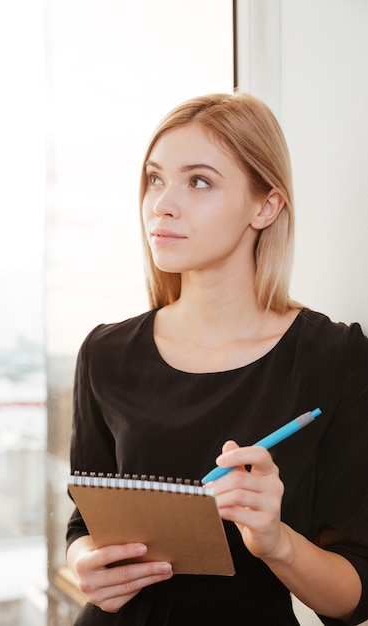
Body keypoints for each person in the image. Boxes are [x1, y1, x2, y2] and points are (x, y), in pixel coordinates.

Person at [66, 92, 368, 625]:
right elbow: (83, 524)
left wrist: (275, 542)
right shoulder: (105, 354)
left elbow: (354, 597)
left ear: (266, 206)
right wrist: (84, 562)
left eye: (198, 181)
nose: (161, 203)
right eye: (155, 179)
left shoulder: (333, 357)